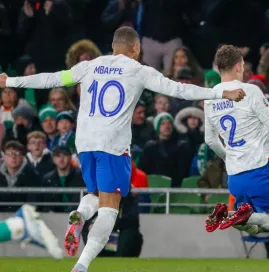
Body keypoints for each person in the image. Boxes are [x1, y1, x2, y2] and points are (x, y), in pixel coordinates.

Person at [0, 26, 245, 272]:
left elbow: (52, 78)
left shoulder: (89, 66)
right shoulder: (138, 70)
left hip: (85, 144)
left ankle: (80, 215)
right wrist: (220, 92)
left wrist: (10, 80)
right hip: (112, 145)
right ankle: (82, 265)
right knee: (110, 207)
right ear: (136, 48)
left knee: (95, 195)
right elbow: (179, 89)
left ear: (113, 47)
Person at [203, 45, 269, 238]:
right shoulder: (250, 91)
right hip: (260, 171)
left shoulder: (210, 98)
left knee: (255, 226)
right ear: (237, 66)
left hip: (235, 178)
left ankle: (230, 214)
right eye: (242, 66)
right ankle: (247, 216)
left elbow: (210, 139)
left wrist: (229, 157)